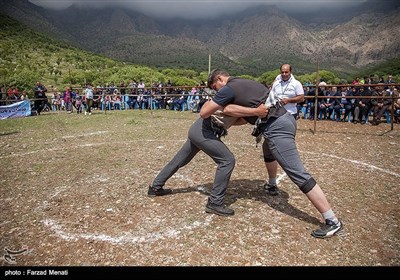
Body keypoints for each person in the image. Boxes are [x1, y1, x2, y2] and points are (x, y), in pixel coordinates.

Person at [224, 63, 343, 239]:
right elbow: (245, 117)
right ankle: (272, 184)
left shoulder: (235, 90)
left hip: (278, 127)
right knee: (268, 150)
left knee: (298, 173)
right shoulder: (257, 86)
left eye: (214, 87)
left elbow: (228, 110)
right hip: (283, 120)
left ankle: (332, 220)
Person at [148, 69, 269, 216]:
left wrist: (250, 116)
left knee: (179, 160)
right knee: (227, 160)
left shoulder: (236, 94)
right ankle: (215, 202)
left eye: (213, 87)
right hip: (204, 130)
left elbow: (236, 119)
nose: (215, 91)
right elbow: (218, 110)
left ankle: (155, 187)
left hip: (201, 130)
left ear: (218, 79)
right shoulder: (227, 94)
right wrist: (255, 112)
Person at [261, 64, 304, 196]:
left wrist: (289, 100)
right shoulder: (276, 81)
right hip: (275, 115)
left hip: (289, 115)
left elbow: (301, 97)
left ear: (291, 72)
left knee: (279, 144)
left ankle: (279, 179)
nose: (284, 74)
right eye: (282, 72)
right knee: (268, 143)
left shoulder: (296, 83)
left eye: (286, 72)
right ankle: (272, 182)